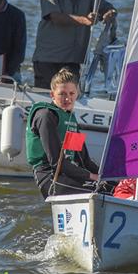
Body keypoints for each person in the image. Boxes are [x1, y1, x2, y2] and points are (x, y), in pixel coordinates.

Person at [32, 0, 117, 89]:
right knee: (45, 102)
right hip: (48, 60)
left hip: (73, 60)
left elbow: (107, 7)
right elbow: (55, 17)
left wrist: (110, 13)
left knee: (69, 104)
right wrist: (85, 20)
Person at [26, 68, 112, 198]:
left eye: (72, 93)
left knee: (114, 187)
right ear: (52, 95)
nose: (67, 98)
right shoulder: (45, 116)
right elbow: (56, 162)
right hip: (50, 178)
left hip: (69, 175)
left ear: (77, 93)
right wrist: (92, 177)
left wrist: (108, 176)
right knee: (105, 193)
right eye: (62, 94)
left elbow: (84, 161)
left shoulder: (70, 119)